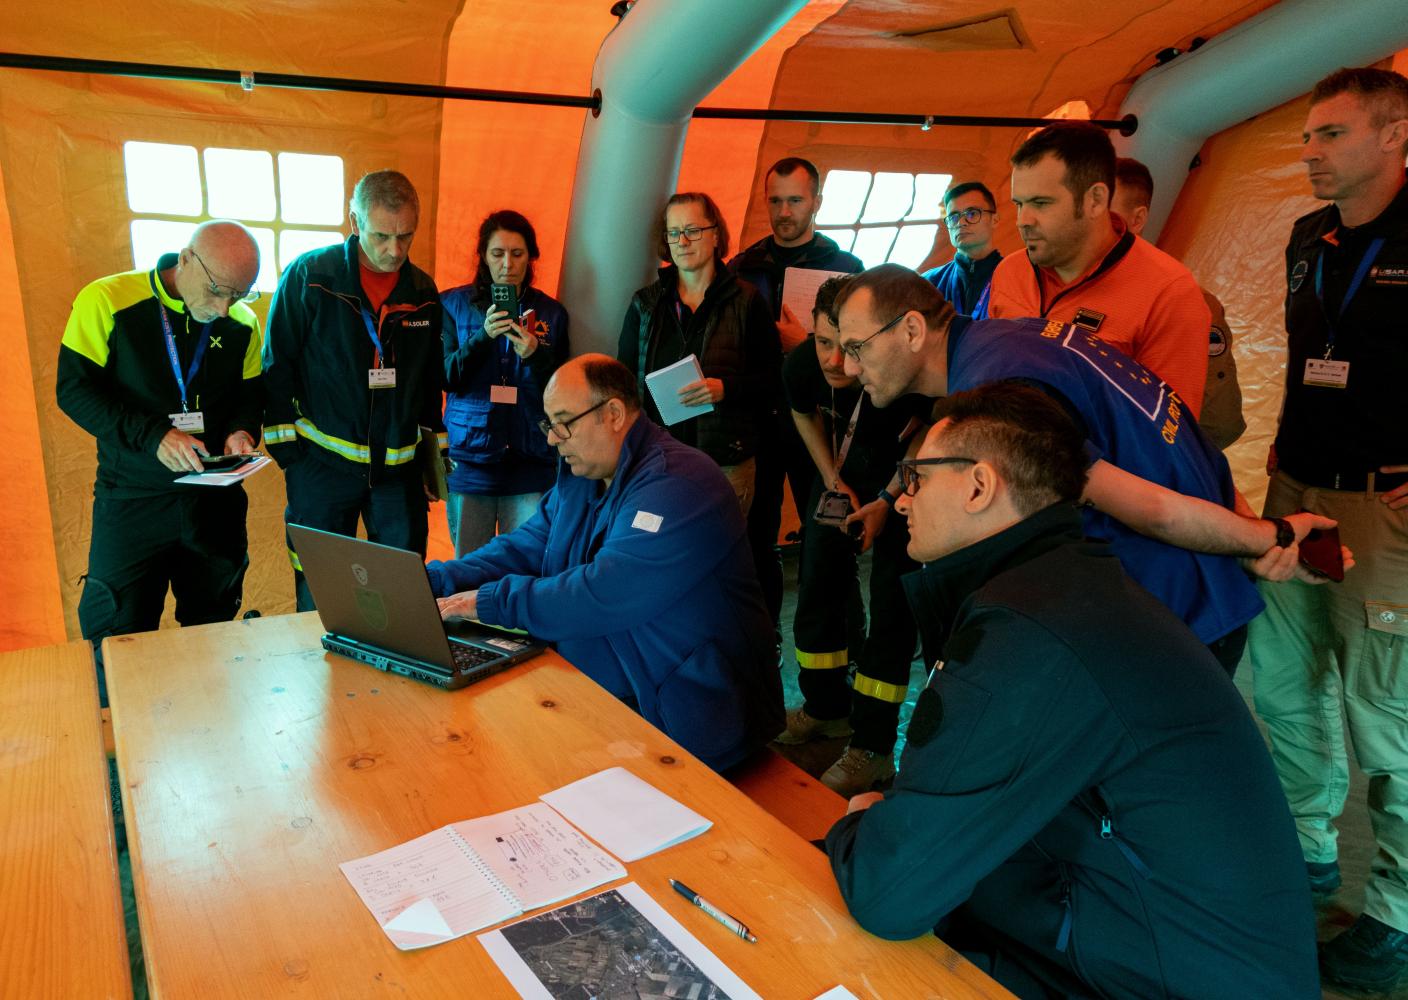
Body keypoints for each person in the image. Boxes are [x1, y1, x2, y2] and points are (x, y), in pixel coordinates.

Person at [825, 382, 1319, 999]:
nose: (901, 502)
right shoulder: (1061, 587)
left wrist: (860, 824)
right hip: (1141, 941)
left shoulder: (1032, 630)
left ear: (979, 486)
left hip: (1159, 976)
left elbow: (889, 891)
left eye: (914, 478)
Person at [834, 264, 1344, 675]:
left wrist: (1266, 537)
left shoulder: (1002, 389)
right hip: (1195, 592)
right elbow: (1178, 443)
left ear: (912, 329)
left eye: (857, 347)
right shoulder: (1014, 338)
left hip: (1171, 621)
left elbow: (1155, 509)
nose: (848, 368)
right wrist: (1254, 538)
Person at [1246, 66, 1408, 993]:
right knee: (1289, 688)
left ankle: (1392, 915)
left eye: (1331, 134)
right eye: (1306, 135)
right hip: (1297, 492)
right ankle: (1307, 866)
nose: (1309, 151)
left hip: (1383, 516)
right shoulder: (1309, 236)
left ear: (1392, 136)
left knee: (1390, 718)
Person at [428, 355, 784, 772]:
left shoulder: (682, 483)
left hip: (687, 723)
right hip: (598, 701)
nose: (552, 439)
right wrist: (435, 579)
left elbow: (604, 592)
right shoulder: (583, 477)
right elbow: (523, 547)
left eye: (563, 422)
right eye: (549, 424)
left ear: (613, 413)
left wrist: (485, 602)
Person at [57, 220, 263, 700]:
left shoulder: (243, 323)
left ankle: (211, 741)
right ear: (186, 258)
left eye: (239, 295)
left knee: (213, 630)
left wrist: (241, 431)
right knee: (119, 635)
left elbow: (249, 395)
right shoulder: (107, 300)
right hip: (132, 500)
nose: (223, 308)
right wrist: (153, 435)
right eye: (216, 291)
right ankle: (119, 761)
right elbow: (74, 391)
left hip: (213, 503)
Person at [262, 170, 445, 611]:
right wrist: (290, 456)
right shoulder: (309, 277)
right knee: (322, 586)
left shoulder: (422, 291)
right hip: (321, 468)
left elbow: (428, 381)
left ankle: (395, 672)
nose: (394, 250)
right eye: (382, 235)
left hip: (397, 475)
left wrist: (431, 463)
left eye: (406, 236)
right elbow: (276, 364)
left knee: (402, 587)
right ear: (354, 222)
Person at [776, 276, 925, 795]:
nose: (835, 362)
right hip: (844, 472)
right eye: (822, 343)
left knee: (890, 603)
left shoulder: (897, 373)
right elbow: (802, 412)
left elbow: (929, 435)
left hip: (904, 482)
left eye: (848, 348)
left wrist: (887, 500)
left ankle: (874, 746)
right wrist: (832, 479)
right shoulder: (801, 365)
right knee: (816, 580)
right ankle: (825, 707)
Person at [986, 121, 1211, 415]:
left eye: (1040, 203)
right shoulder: (1009, 271)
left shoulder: (1168, 294)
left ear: (1095, 200)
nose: (1022, 220)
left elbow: (1167, 440)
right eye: (1019, 204)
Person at [731, 158, 864, 627]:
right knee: (753, 537)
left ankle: (843, 636)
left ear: (817, 202)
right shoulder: (743, 268)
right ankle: (763, 640)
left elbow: (860, 355)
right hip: (758, 423)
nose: (784, 211)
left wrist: (801, 346)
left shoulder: (846, 269)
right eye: (775, 200)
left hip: (820, 423)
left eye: (795, 200)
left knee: (828, 532)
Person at [618, 192, 780, 514]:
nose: (682, 241)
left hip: (724, 463)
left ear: (716, 233)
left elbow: (774, 378)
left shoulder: (747, 301)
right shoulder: (646, 304)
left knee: (716, 557)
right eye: (673, 232)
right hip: (658, 458)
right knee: (659, 552)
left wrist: (726, 389)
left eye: (693, 230)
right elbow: (624, 379)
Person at [440, 210, 570, 557]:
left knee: (524, 566)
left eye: (517, 254)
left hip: (530, 461)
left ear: (531, 257)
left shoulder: (552, 313)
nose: (508, 264)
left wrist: (535, 354)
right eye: (498, 254)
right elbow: (446, 377)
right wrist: (483, 336)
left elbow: (565, 390)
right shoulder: (452, 304)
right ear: (483, 255)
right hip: (470, 462)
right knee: (468, 568)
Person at [1111, 157, 1246, 449]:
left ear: (1137, 220)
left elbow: (1218, 420)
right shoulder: (1063, 289)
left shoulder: (1187, 301)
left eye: (1106, 215)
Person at [921, 181, 1002, 319]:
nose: (961, 222)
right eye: (953, 217)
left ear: (994, 220)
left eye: (972, 214)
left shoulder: (1017, 279)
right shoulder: (929, 284)